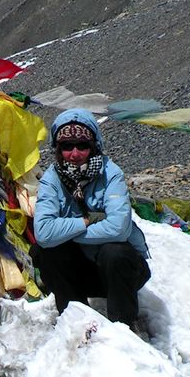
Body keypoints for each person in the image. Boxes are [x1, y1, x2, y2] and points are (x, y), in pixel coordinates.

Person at [31, 108, 150, 330]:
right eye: (67, 147)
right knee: (46, 252)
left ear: (94, 146)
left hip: (120, 273)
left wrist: (65, 233)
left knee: (114, 252)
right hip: (81, 272)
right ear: (58, 149)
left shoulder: (110, 173)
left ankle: (124, 325)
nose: (75, 154)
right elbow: (44, 233)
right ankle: (75, 323)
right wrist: (87, 221)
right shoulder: (51, 179)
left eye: (82, 146)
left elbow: (118, 229)